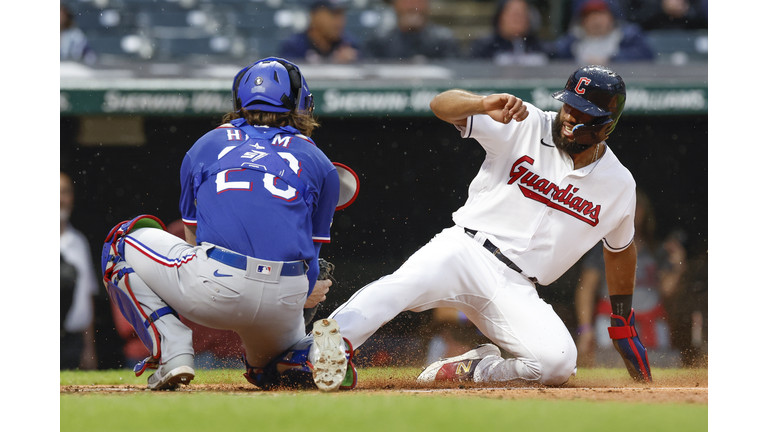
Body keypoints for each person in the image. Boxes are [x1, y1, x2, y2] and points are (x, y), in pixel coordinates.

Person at [329, 65, 653, 385]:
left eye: (581, 111)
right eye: (568, 104)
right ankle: (321, 352)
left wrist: (622, 317)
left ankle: (475, 370)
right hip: (465, 250)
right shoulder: (525, 122)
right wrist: (481, 103)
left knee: (557, 365)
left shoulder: (619, 184)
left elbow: (620, 250)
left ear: (606, 125)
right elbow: (440, 105)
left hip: (518, 286)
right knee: (397, 288)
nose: (569, 115)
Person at [100, 57, 356, 391]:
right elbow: (311, 254)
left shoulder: (207, 144)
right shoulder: (318, 160)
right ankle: (304, 353)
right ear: (301, 104)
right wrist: (303, 296)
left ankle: (172, 351)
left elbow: (194, 239)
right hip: (286, 297)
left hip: (216, 286)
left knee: (118, 243)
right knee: (266, 374)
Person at [574, 189, 687, 368]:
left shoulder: (656, 250)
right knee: (612, 373)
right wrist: (585, 329)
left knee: (659, 374)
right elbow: (585, 289)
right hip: (612, 322)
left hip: (652, 323)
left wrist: (679, 266)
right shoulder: (603, 247)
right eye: (629, 205)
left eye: (638, 206)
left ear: (645, 213)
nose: (633, 210)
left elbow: (667, 289)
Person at [60, 172, 98, 370]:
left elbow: (87, 298)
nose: (60, 199)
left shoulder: (79, 242)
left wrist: (88, 349)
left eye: (65, 192)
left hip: (73, 343)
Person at [549, 0, 654, 64]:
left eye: (601, 14)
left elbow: (647, 56)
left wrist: (611, 61)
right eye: (589, 15)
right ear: (581, 21)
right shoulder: (571, 42)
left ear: (612, 17)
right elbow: (552, 58)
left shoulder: (628, 36)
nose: (595, 20)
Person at [365, 0, 460, 60]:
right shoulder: (379, 42)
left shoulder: (444, 40)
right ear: (395, 5)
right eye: (406, 1)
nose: (413, 6)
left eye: (418, 1)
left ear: (427, 6)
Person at [279, 0, 362, 64]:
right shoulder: (294, 46)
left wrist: (353, 63)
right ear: (314, 15)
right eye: (333, 14)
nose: (340, 21)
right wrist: (333, 63)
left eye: (342, 14)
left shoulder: (349, 45)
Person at [468, 0, 548, 66]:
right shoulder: (484, 48)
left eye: (522, 15)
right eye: (513, 15)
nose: (518, 20)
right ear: (500, 17)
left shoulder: (541, 47)